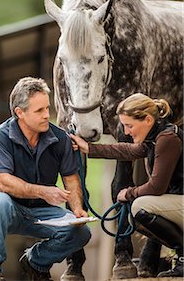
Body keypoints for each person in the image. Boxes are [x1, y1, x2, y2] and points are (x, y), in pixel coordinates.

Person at [0, 77, 91, 281]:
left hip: (40, 210)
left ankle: (35, 262)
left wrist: (77, 209)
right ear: (20, 112)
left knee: (82, 233)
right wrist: (43, 191)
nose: (47, 115)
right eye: (40, 111)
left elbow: (70, 178)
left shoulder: (60, 138)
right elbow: (2, 182)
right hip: (7, 209)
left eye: (47, 108)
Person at [70, 93, 183, 278]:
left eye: (129, 125)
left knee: (138, 206)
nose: (127, 131)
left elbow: (156, 188)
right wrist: (89, 148)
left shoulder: (167, 138)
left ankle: (183, 255)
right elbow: (126, 150)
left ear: (147, 119)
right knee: (135, 209)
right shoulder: (156, 135)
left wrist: (128, 193)